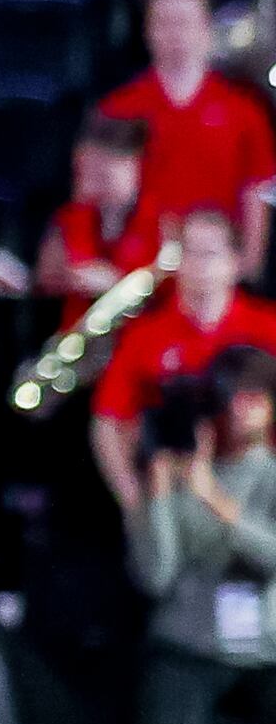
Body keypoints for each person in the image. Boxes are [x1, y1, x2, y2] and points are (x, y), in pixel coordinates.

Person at [122, 344, 276, 724]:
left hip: (265, 653)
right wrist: (161, 497)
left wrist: (221, 505)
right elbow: (156, 575)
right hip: (191, 649)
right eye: (235, 399)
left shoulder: (270, 476)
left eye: (257, 398)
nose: (243, 410)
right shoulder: (187, 477)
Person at [94, 206, 276, 517]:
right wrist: (131, 498)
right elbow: (108, 421)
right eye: (189, 252)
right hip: (176, 495)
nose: (198, 264)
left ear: (234, 261)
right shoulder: (144, 335)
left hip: (259, 492)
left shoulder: (268, 327)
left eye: (210, 253)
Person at [98, 0, 275, 275]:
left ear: (206, 28)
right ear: (147, 30)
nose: (175, 34)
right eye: (164, 22)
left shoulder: (244, 111)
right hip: (139, 272)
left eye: (184, 22)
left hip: (214, 272)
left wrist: (246, 265)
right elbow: (98, 199)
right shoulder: (120, 108)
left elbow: (256, 192)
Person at [39, 114, 162, 300]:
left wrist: (117, 284)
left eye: (102, 176)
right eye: (83, 173)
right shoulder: (69, 218)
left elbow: (170, 293)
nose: (88, 185)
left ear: (133, 166)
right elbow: (46, 280)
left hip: (142, 325)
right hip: (78, 324)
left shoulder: (161, 223)